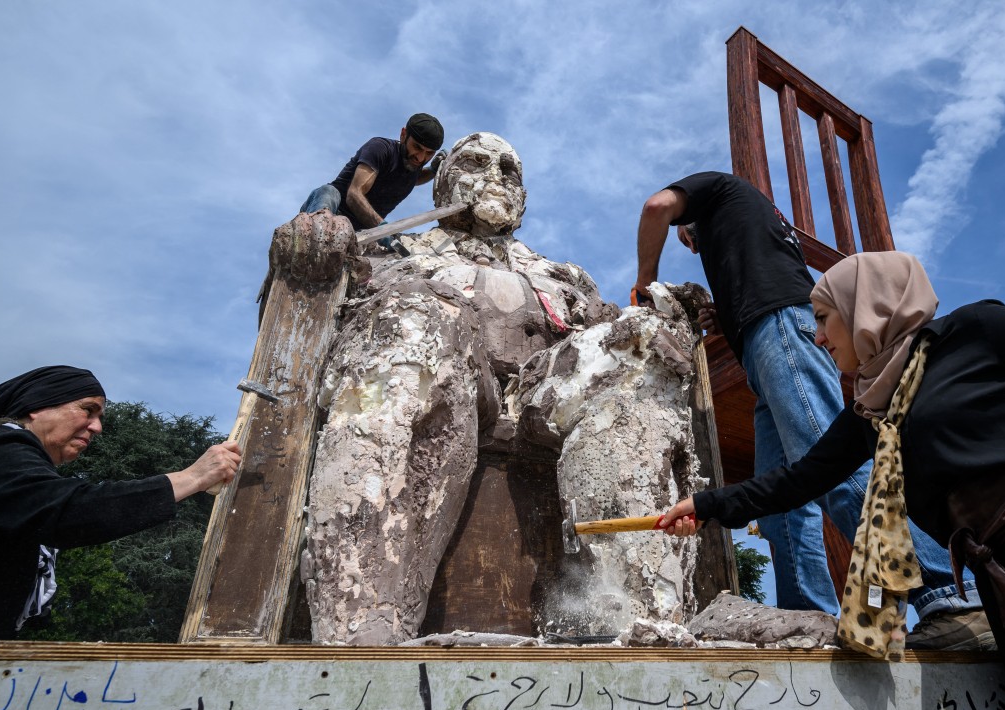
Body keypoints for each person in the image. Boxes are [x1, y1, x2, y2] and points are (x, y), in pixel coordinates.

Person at [658, 250, 1005, 710]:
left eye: (822, 317)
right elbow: (799, 480)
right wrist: (706, 506)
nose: (817, 337)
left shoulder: (979, 329)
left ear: (864, 306)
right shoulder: (872, 408)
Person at [299, 133, 704, 644]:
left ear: (523, 196)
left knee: (640, 345)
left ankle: (634, 619)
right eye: (474, 162)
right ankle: (360, 627)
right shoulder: (394, 249)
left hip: (544, 395)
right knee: (421, 315)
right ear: (443, 181)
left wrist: (653, 322)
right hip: (453, 387)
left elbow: (599, 335)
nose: (493, 175)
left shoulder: (561, 274)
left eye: (508, 170)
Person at [636, 171, 989, 649]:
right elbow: (759, 275)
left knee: (836, 472)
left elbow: (657, 207)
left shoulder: (715, 188)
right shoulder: (756, 225)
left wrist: (644, 286)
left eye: (690, 237)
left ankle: (951, 597)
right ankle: (806, 618)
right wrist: (729, 315)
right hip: (768, 343)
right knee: (784, 506)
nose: (691, 245)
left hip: (781, 329)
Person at [0, 365, 242, 640]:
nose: (97, 427)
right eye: (88, 410)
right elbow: (67, 511)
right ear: (36, 406)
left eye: (99, 417)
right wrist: (192, 478)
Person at [298, 113, 447, 231]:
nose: (421, 158)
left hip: (359, 231)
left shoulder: (412, 165)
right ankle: (315, 235)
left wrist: (433, 170)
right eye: (417, 147)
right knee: (328, 192)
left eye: (429, 153)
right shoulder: (381, 149)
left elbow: (413, 179)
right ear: (403, 134)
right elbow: (354, 194)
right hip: (331, 209)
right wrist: (383, 228)